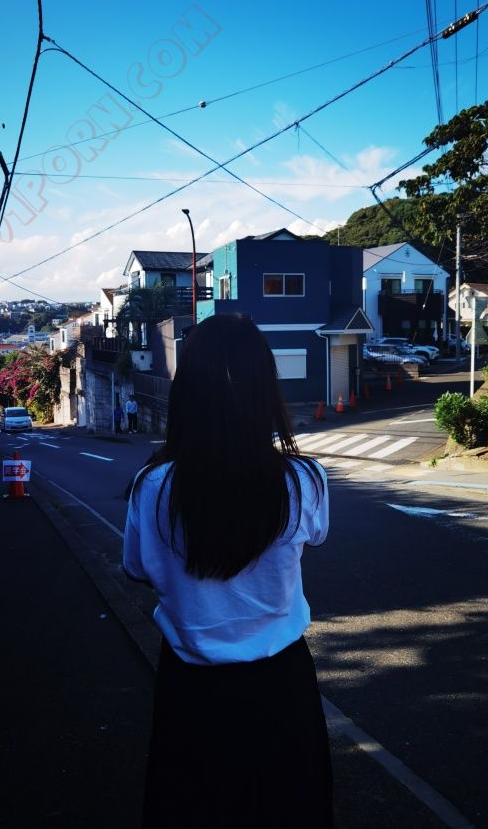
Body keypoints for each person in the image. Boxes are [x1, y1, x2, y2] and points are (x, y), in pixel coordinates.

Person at [123, 314, 332, 828]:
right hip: (283, 686)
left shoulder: (152, 486)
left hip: (191, 689)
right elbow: (315, 537)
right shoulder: (304, 480)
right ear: (266, 390)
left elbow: (136, 569)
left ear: (186, 393)